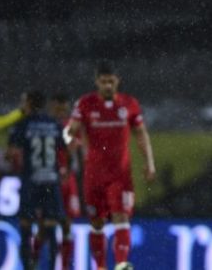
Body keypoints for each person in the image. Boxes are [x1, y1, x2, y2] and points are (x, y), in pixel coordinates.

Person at [67, 62, 156, 270]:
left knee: (121, 216)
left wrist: (149, 163)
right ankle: (100, 266)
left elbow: (141, 134)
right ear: (97, 82)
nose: (107, 85)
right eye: (103, 81)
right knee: (97, 222)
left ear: (118, 81)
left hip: (120, 174)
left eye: (111, 81)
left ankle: (121, 264)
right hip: (94, 175)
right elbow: (70, 131)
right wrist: (69, 141)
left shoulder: (129, 104)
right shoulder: (85, 104)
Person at [6, 91, 66, 269]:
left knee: (26, 229)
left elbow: (11, 154)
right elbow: (65, 148)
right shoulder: (54, 124)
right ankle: (52, 266)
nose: (21, 104)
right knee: (50, 228)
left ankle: (28, 266)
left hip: (31, 182)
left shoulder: (23, 124)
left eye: (24, 101)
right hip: (51, 182)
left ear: (30, 103)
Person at [49, 92, 82, 269]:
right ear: (52, 107)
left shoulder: (71, 126)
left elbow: (75, 151)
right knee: (46, 225)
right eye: (58, 108)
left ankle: (64, 266)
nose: (61, 111)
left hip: (67, 181)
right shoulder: (46, 125)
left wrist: (68, 170)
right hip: (49, 181)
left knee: (67, 225)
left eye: (63, 108)